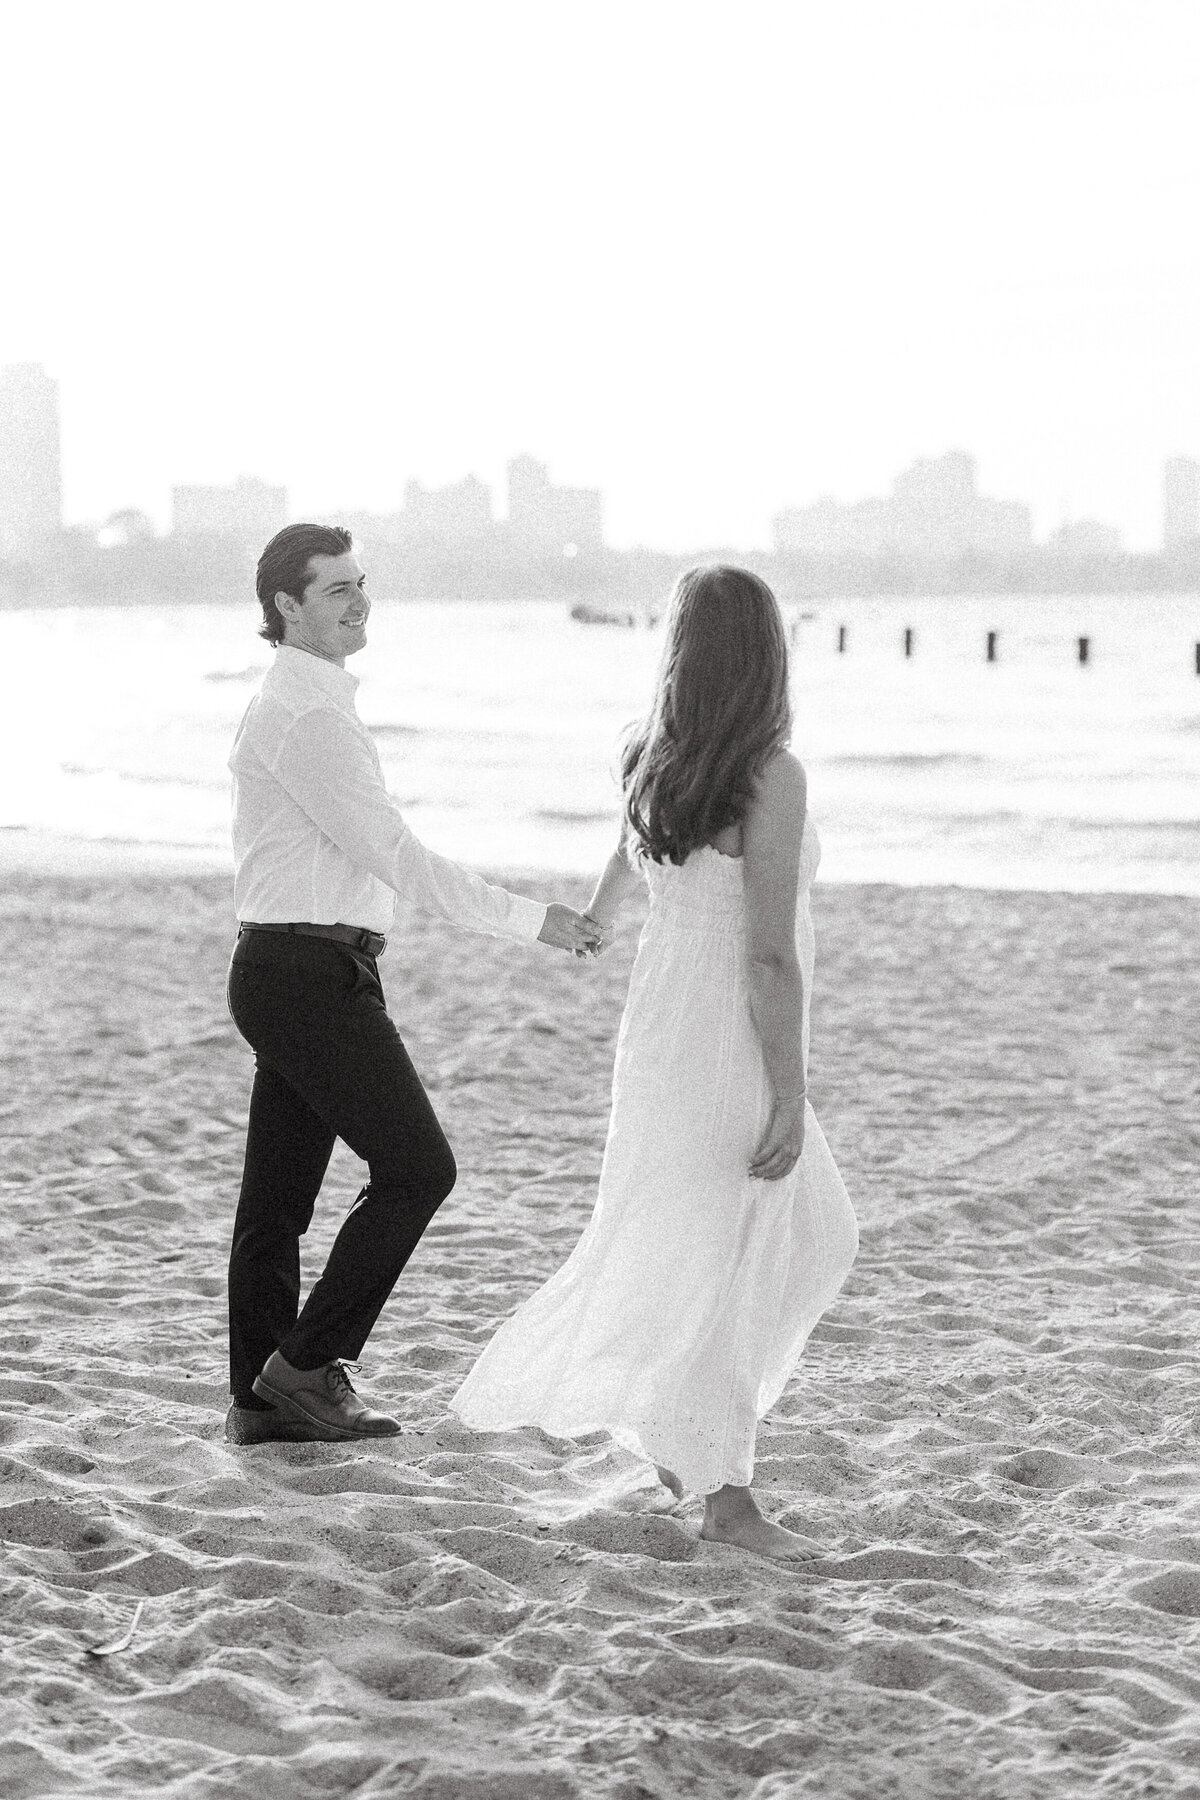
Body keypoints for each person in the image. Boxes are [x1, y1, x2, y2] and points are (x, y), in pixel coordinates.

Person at [451, 565, 858, 1559]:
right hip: (718, 1028)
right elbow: (767, 954)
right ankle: (725, 1497)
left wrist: (597, 919)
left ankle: (690, 1444)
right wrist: (792, 1092)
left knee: (767, 1234)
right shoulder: (771, 773)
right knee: (745, 1246)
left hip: (660, 1026)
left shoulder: (655, 751)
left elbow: (624, 846)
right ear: (767, 651)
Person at [224, 523, 602, 1447]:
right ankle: (304, 1369)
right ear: (286, 606)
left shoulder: (304, 702)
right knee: (418, 1169)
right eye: (335, 590)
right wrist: (532, 919)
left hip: (297, 966)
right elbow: (394, 854)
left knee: (276, 1204)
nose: (359, 602)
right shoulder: (309, 716)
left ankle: (262, 1399)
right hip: (307, 973)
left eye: (362, 584)